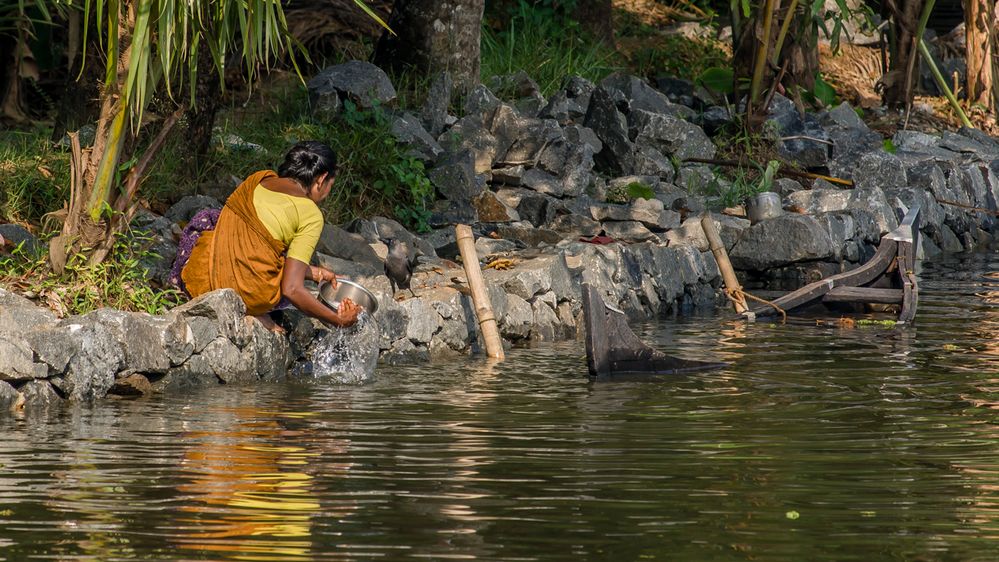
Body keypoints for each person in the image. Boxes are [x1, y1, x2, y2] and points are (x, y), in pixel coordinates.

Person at [173, 141, 361, 332]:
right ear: (321, 179)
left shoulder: (259, 179)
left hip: (202, 278)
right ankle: (251, 310)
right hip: (247, 293)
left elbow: (249, 248)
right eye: (331, 185)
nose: (328, 193)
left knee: (211, 218)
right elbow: (292, 289)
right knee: (284, 287)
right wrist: (339, 320)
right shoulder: (310, 214)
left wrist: (315, 273)